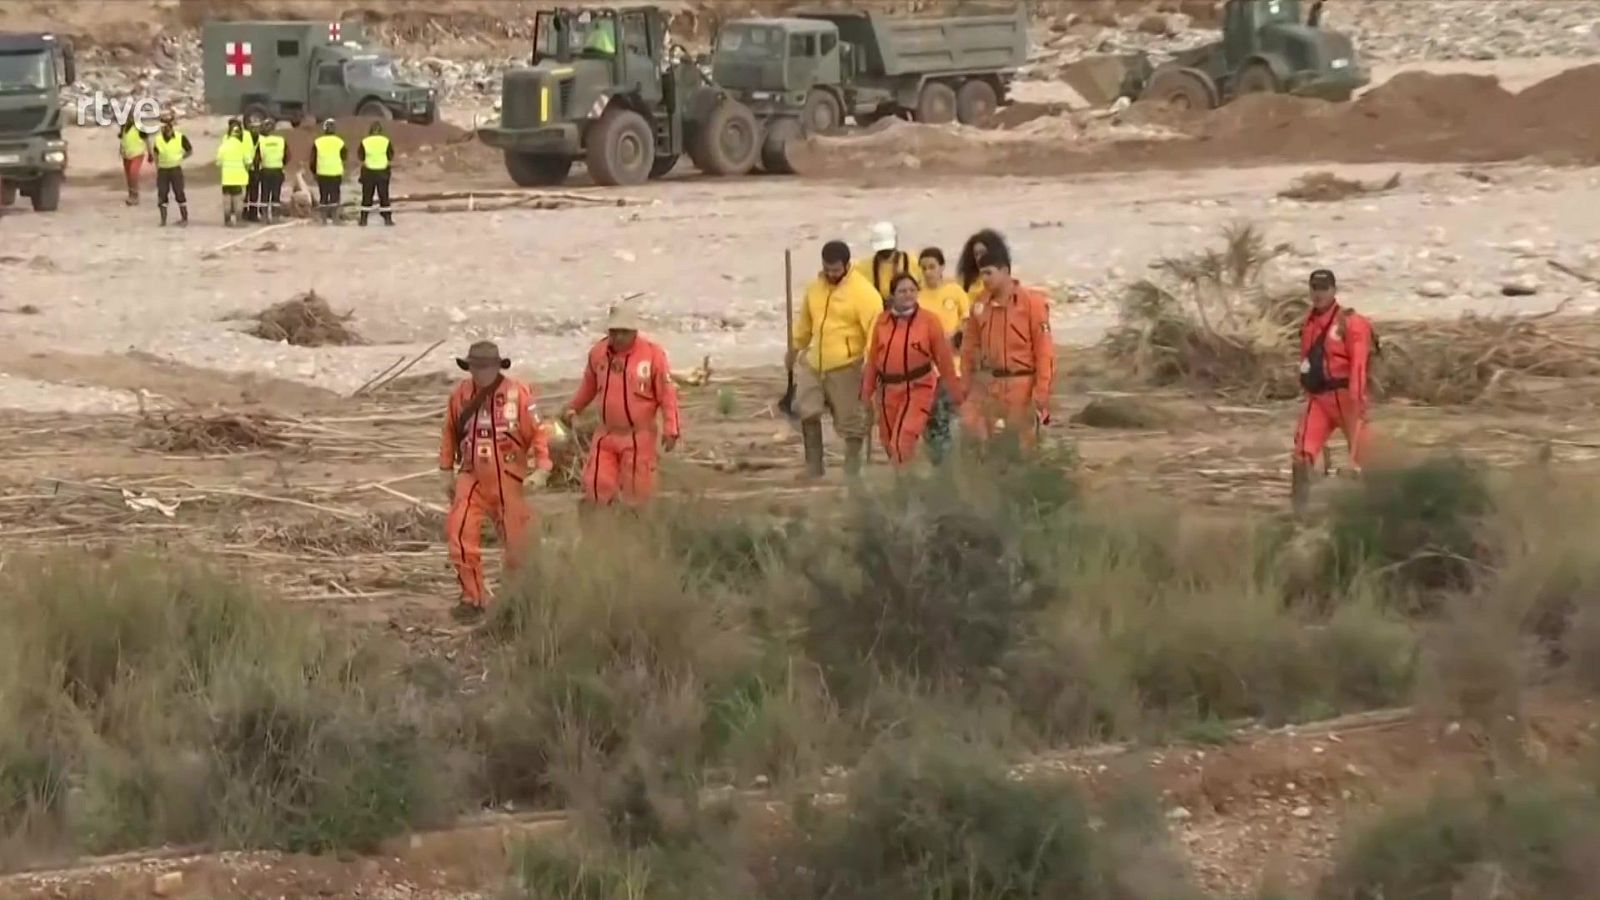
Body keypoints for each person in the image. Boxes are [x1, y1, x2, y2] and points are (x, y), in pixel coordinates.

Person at [438, 341, 553, 622]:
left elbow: (539, 433)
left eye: (487, 367)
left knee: (518, 544)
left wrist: (542, 468)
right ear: (470, 368)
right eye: (477, 367)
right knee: (459, 534)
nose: (482, 373)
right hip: (472, 477)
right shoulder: (460, 396)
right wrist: (445, 470)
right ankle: (472, 598)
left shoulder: (519, 395)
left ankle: (517, 598)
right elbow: (450, 433)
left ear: (497, 367)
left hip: (508, 478)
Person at [559, 304, 681, 507]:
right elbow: (589, 385)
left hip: (638, 436)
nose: (618, 337)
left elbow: (667, 394)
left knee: (637, 493)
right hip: (606, 435)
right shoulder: (598, 353)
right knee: (597, 485)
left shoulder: (653, 355)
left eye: (624, 332)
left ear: (634, 331)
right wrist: (574, 407)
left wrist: (671, 428)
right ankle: (603, 528)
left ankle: (635, 530)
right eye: (614, 332)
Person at [788, 239, 883, 479]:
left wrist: (870, 365)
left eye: (836, 270)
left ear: (847, 264)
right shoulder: (814, 289)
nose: (831, 274)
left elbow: (875, 331)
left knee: (851, 423)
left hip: (847, 365)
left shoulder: (864, 293)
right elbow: (805, 325)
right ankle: (814, 467)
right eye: (827, 269)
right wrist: (794, 348)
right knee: (807, 411)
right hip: (815, 362)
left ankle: (852, 470)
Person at [959, 233, 1056, 452]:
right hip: (991, 386)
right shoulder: (979, 305)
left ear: (1004, 271)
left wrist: (1040, 394)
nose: (984, 279)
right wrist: (965, 386)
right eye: (981, 274)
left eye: (989, 273)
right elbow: (968, 348)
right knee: (983, 444)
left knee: (1023, 449)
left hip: (1022, 384)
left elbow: (1044, 352)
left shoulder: (1032, 303)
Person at [862, 273, 965, 468]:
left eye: (912, 290)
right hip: (887, 391)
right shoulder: (882, 322)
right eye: (902, 291)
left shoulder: (929, 321)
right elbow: (873, 360)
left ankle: (906, 491)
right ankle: (907, 483)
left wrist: (956, 394)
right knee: (888, 442)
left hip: (919, 388)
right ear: (892, 295)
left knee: (902, 443)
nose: (908, 294)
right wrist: (866, 395)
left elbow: (944, 361)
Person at [1293, 268, 1374, 514]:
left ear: (1334, 291)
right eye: (1314, 289)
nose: (1319, 294)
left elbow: (1359, 363)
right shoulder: (1309, 323)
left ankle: (1374, 511)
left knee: (1367, 460)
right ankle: (1299, 513)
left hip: (1347, 397)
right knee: (1301, 455)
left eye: (1324, 289)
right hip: (1320, 400)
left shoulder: (1350, 322)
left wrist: (1358, 397)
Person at [916, 247, 973, 463]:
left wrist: (955, 337)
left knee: (953, 416)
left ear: (941, 267)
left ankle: (958, 461)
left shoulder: (955, 292)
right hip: (927, 370)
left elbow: (968, 325)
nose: (928, 272)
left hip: (954, 367)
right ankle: (938, 463)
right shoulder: (918, 297)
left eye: (932, 267)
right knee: (931, 421)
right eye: (924, 268)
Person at [854, 221, 920, 305]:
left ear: (896, 242)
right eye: (882, 251)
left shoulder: (911, 261)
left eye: (888, 250)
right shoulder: (862, 267)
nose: (885, 253)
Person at [147, 111, 191, 227]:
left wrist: (181, 158)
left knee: (179, 193)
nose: (166, 129)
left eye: (168, 127)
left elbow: (189, 150)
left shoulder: (180, 137)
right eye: (164, 127)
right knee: (162, 194)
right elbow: (156, 153)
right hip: (163, 170)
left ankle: (184, 218)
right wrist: (157, 165)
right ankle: (163, 220)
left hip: (175, 169)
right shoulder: (158, 139)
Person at [357, 119, 395, 227]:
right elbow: (390, 155)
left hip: (368, 172)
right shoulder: (385, 141)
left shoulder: (365, 141)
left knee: (367, 197)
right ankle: (388, 219)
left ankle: (363, 219)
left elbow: (361, 156)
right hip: (382, 172)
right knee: (384, 196)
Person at [957, 228, 1006, 306]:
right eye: (976, 254)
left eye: (982, 252)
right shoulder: (966, 280)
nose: (979, 258)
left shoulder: (1002, 277)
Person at [216, 118, 250, 227]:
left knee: (227, 200)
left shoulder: (223, 146)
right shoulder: (242, 146)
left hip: (226, 178)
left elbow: (218, 162)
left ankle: (227, 221)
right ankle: (238, 221)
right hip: (238, 177)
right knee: (237, 200)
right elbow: (248, 161)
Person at [253, 118, 289, 224]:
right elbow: (288, 156)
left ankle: (264, 216)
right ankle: (275, 216)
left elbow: (257, 158)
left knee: (265, 193)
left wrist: (256, 170)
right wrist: (281, 163)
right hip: (277, 169)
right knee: (276, 194)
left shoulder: (262, 141)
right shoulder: (281, 141)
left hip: (265, 170)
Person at [312, 119, 347, 224]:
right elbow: (344, 157)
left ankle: (323, 220)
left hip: (322, 173)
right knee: (335, 195)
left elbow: (312, 159)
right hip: (335, 172)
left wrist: (314, 172)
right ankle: (335, 218)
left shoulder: (318, 142)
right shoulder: (340, 142)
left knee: (323, 195)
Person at [117, 111, 147, 206]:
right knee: (128, 175)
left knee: (133, 174)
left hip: (138, 154)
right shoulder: (124, 128)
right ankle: (131, 194)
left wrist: (150, 153)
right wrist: (121, 150)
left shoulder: (139, 128)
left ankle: (135, 196)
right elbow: (123, 140)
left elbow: (146, 140)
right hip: (126, 155)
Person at [240, 114, 261, 222]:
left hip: (256, 168)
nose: (255, 129)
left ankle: (253, 213)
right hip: (245, 167)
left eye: (257, 127)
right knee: (245, 192)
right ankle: (244, 211)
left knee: (254, 192)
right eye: (253, 127)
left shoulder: (261, 139)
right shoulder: (244, 137)